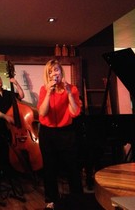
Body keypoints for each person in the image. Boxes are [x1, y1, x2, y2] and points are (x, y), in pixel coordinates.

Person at [37, 59, 82, 210]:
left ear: (61, 71)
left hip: (66, 132)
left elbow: (75, 112)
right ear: (47, 75)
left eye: (55, 70)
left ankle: (77, 199)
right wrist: (49, 93)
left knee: (72, 168)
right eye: (50, 71)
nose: (53, 73)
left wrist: (69, 93)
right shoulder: (44, 89)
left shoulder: (73, 89)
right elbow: (42, 113)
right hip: (47, 133)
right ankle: (51, 200)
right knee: (49, 168)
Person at [0, 74, 24, 174]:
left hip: (11, 127)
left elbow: (21, 96)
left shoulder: (8, 93)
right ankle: (0, 173)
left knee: (10, 149)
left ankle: (12, 170)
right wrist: (6, 117)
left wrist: (16, 84)